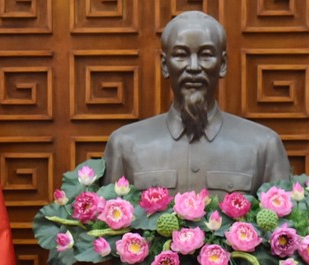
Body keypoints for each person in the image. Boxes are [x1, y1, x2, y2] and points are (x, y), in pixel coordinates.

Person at [102, 11, 291, 194]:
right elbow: (104, 223)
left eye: (206, 55)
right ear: (165, 66)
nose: (193, 67)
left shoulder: (264, 146)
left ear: (222, 64)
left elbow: (284, 223)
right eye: (181, 55)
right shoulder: (125, 145)